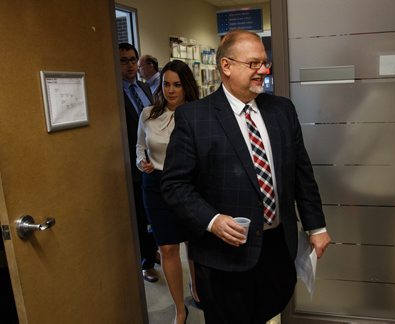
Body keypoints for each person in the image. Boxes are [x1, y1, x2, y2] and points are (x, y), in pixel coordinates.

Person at [161, 30, 331, 324]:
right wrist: (212, 220)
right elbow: (175, 186)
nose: (263, 71)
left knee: (270, 309)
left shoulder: (282, 110)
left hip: (277, 244)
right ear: (226, 66)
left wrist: (316, 226)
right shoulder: (194, 118)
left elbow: (301, 171)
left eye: (265, 63)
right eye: (254, 64)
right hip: (224, 255)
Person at [136, 60, 201, 324]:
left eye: (177, 85)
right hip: (156, 185)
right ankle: (179, 309)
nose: (171, 90)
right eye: (166, 84)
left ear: (187, 87)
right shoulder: (148, 113)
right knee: (167, 248)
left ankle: (196, 289)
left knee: (193, 244)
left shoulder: (198, 114)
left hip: (189, 184)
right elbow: (140, 146)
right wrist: (142, 162)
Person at [119, 42, 159, 283]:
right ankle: (146, 264)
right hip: (131, 165)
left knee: (154, 212)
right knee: (140, 215)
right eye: (124, 60)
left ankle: (151, 251)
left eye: (133, 59)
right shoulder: (113, 91)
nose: (130, 64)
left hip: (153, 161)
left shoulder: (144, 88)